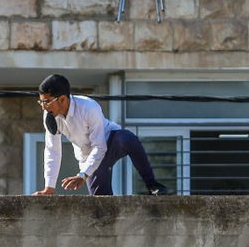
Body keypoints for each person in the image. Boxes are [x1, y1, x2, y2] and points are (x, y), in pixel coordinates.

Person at [32, 75, 172, 197]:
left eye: (46, 102)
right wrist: (49, 188)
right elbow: (52, 150)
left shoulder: (89, 107)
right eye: (41, 102)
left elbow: (100, 146)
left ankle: (153, 185)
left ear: (62, 99)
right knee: (100, 201)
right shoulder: (49, 116)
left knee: (128, 138)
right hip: (88, 156)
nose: (43, 107)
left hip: (110, 141)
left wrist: (82, 175)